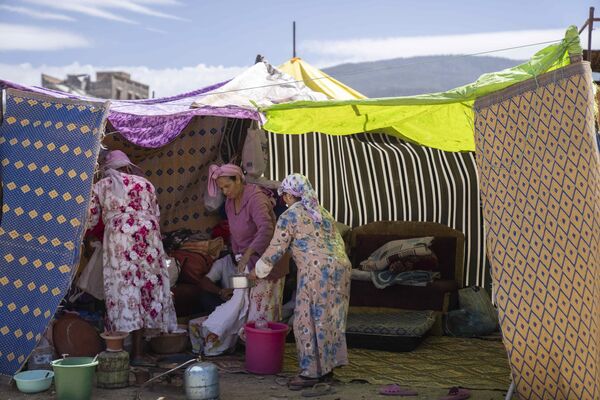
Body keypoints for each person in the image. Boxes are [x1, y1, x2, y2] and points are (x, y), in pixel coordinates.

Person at [249, 173, 351, 390]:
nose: (283, 199)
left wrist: (258, 270)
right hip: (341, 269)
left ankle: (310, 373)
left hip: (316, 271)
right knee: (329, 319)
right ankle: (327, 370)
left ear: (288, 195)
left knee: (306, 321)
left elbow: (277, 247)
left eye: (283, 194)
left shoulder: (290, 215)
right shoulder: (322, 213)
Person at [87, 150, 177, 365]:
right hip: (149, 239)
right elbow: (156, 214)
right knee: (146, 287)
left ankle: (128, 352)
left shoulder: (100, 186)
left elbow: (90, 221)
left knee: (125, 289)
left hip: (121, 241)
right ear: (127, 166)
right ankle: (139, 350)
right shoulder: (146, 184)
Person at [207, 163, 285, 323]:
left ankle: (264, 346)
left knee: (261, 312)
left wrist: (248, 254)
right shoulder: (229, 202)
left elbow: (266, 229)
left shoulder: (256, 198)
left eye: (227, 186)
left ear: (238, 180)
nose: (225, 192)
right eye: (221, 188)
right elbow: (234, 232)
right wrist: (238, 257)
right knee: (244, 307)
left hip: (266, 263)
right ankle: (248, 344)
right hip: (248, 263)